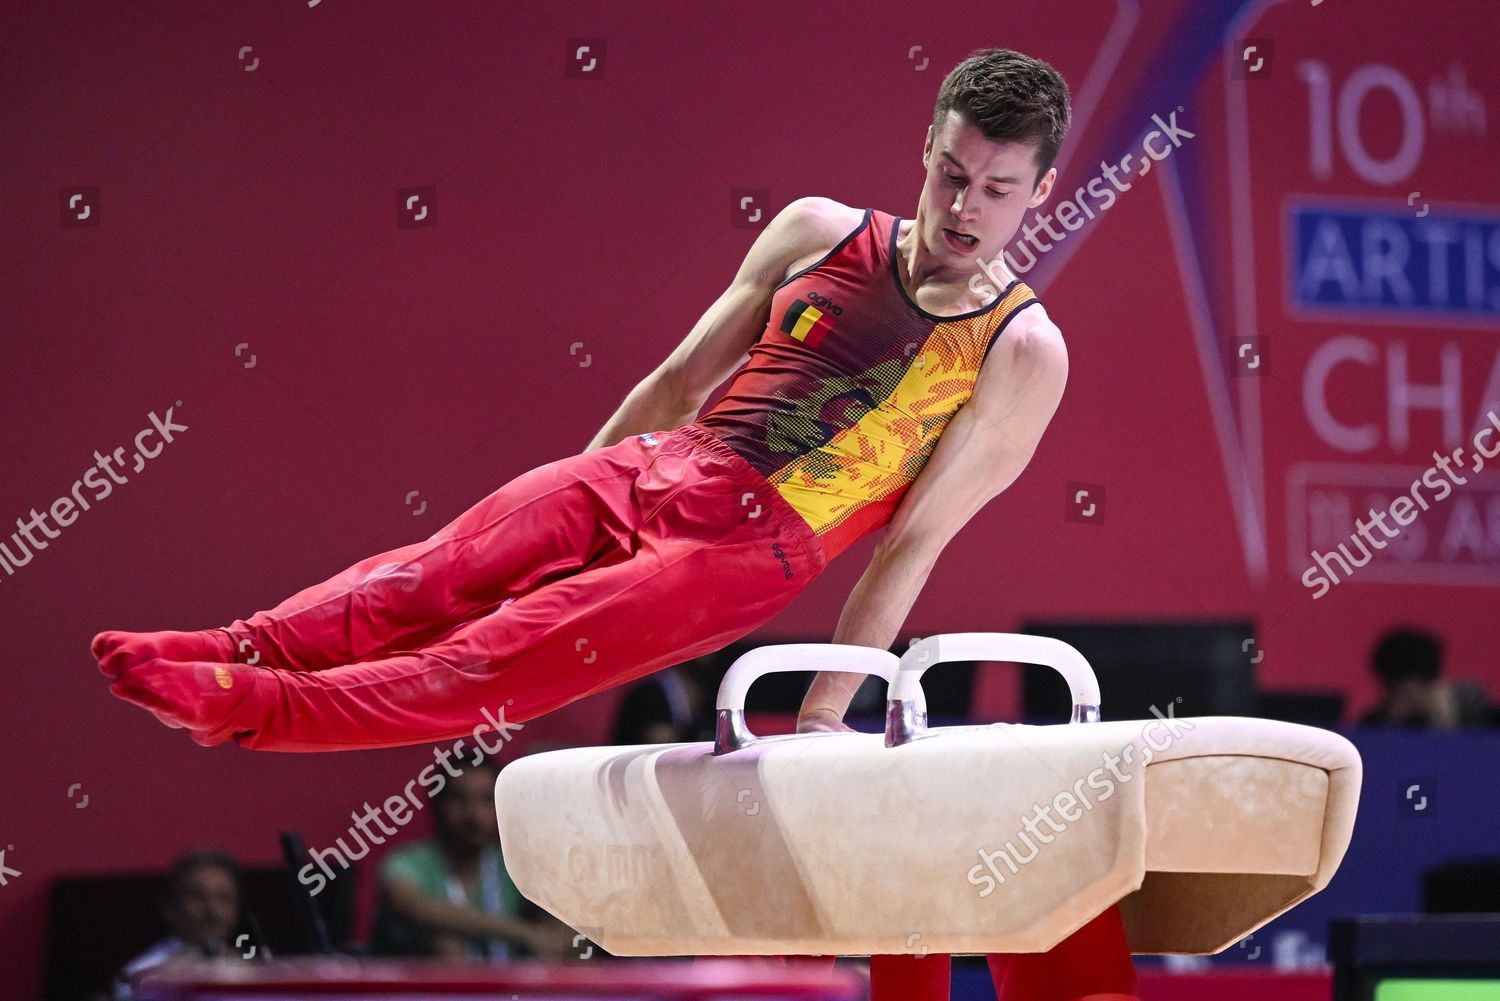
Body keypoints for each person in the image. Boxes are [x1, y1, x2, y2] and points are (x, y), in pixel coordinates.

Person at [97, 48, 1136, 1000]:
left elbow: (913, 539)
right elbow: (681, 379)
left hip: (742, 553)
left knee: (485, 659)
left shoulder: (1020, 351)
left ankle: (244, 704)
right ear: (927, 145)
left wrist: (822, 715)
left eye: (998, 191)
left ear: (1042, 192)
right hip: (651, 463)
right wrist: (576, 484)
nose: (966, 206)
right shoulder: (819, 230)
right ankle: (226, 645)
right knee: (432, 574)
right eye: (953, 173)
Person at [369, 756, 573, 958]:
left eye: (486, 800)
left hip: (511, 986)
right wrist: (525, 934)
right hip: (430, 982)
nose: (474, 815)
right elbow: (411, 905)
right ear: (438, 805)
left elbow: (566, 915)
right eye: (460, 799)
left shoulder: (515, 861)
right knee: (444, 942)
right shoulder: (409, 861)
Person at [112, 850, 252, 999]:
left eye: (224, 898)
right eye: (198, 897)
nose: (213, 910)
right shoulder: (139, 975)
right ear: (170, 906)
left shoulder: (256, 974)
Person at [1358, 628, 1494, 730]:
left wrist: (1447, 725)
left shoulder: (1483, 717)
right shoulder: (1375, 723)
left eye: (1403, 691)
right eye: (1388, 689)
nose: (1395, 700)